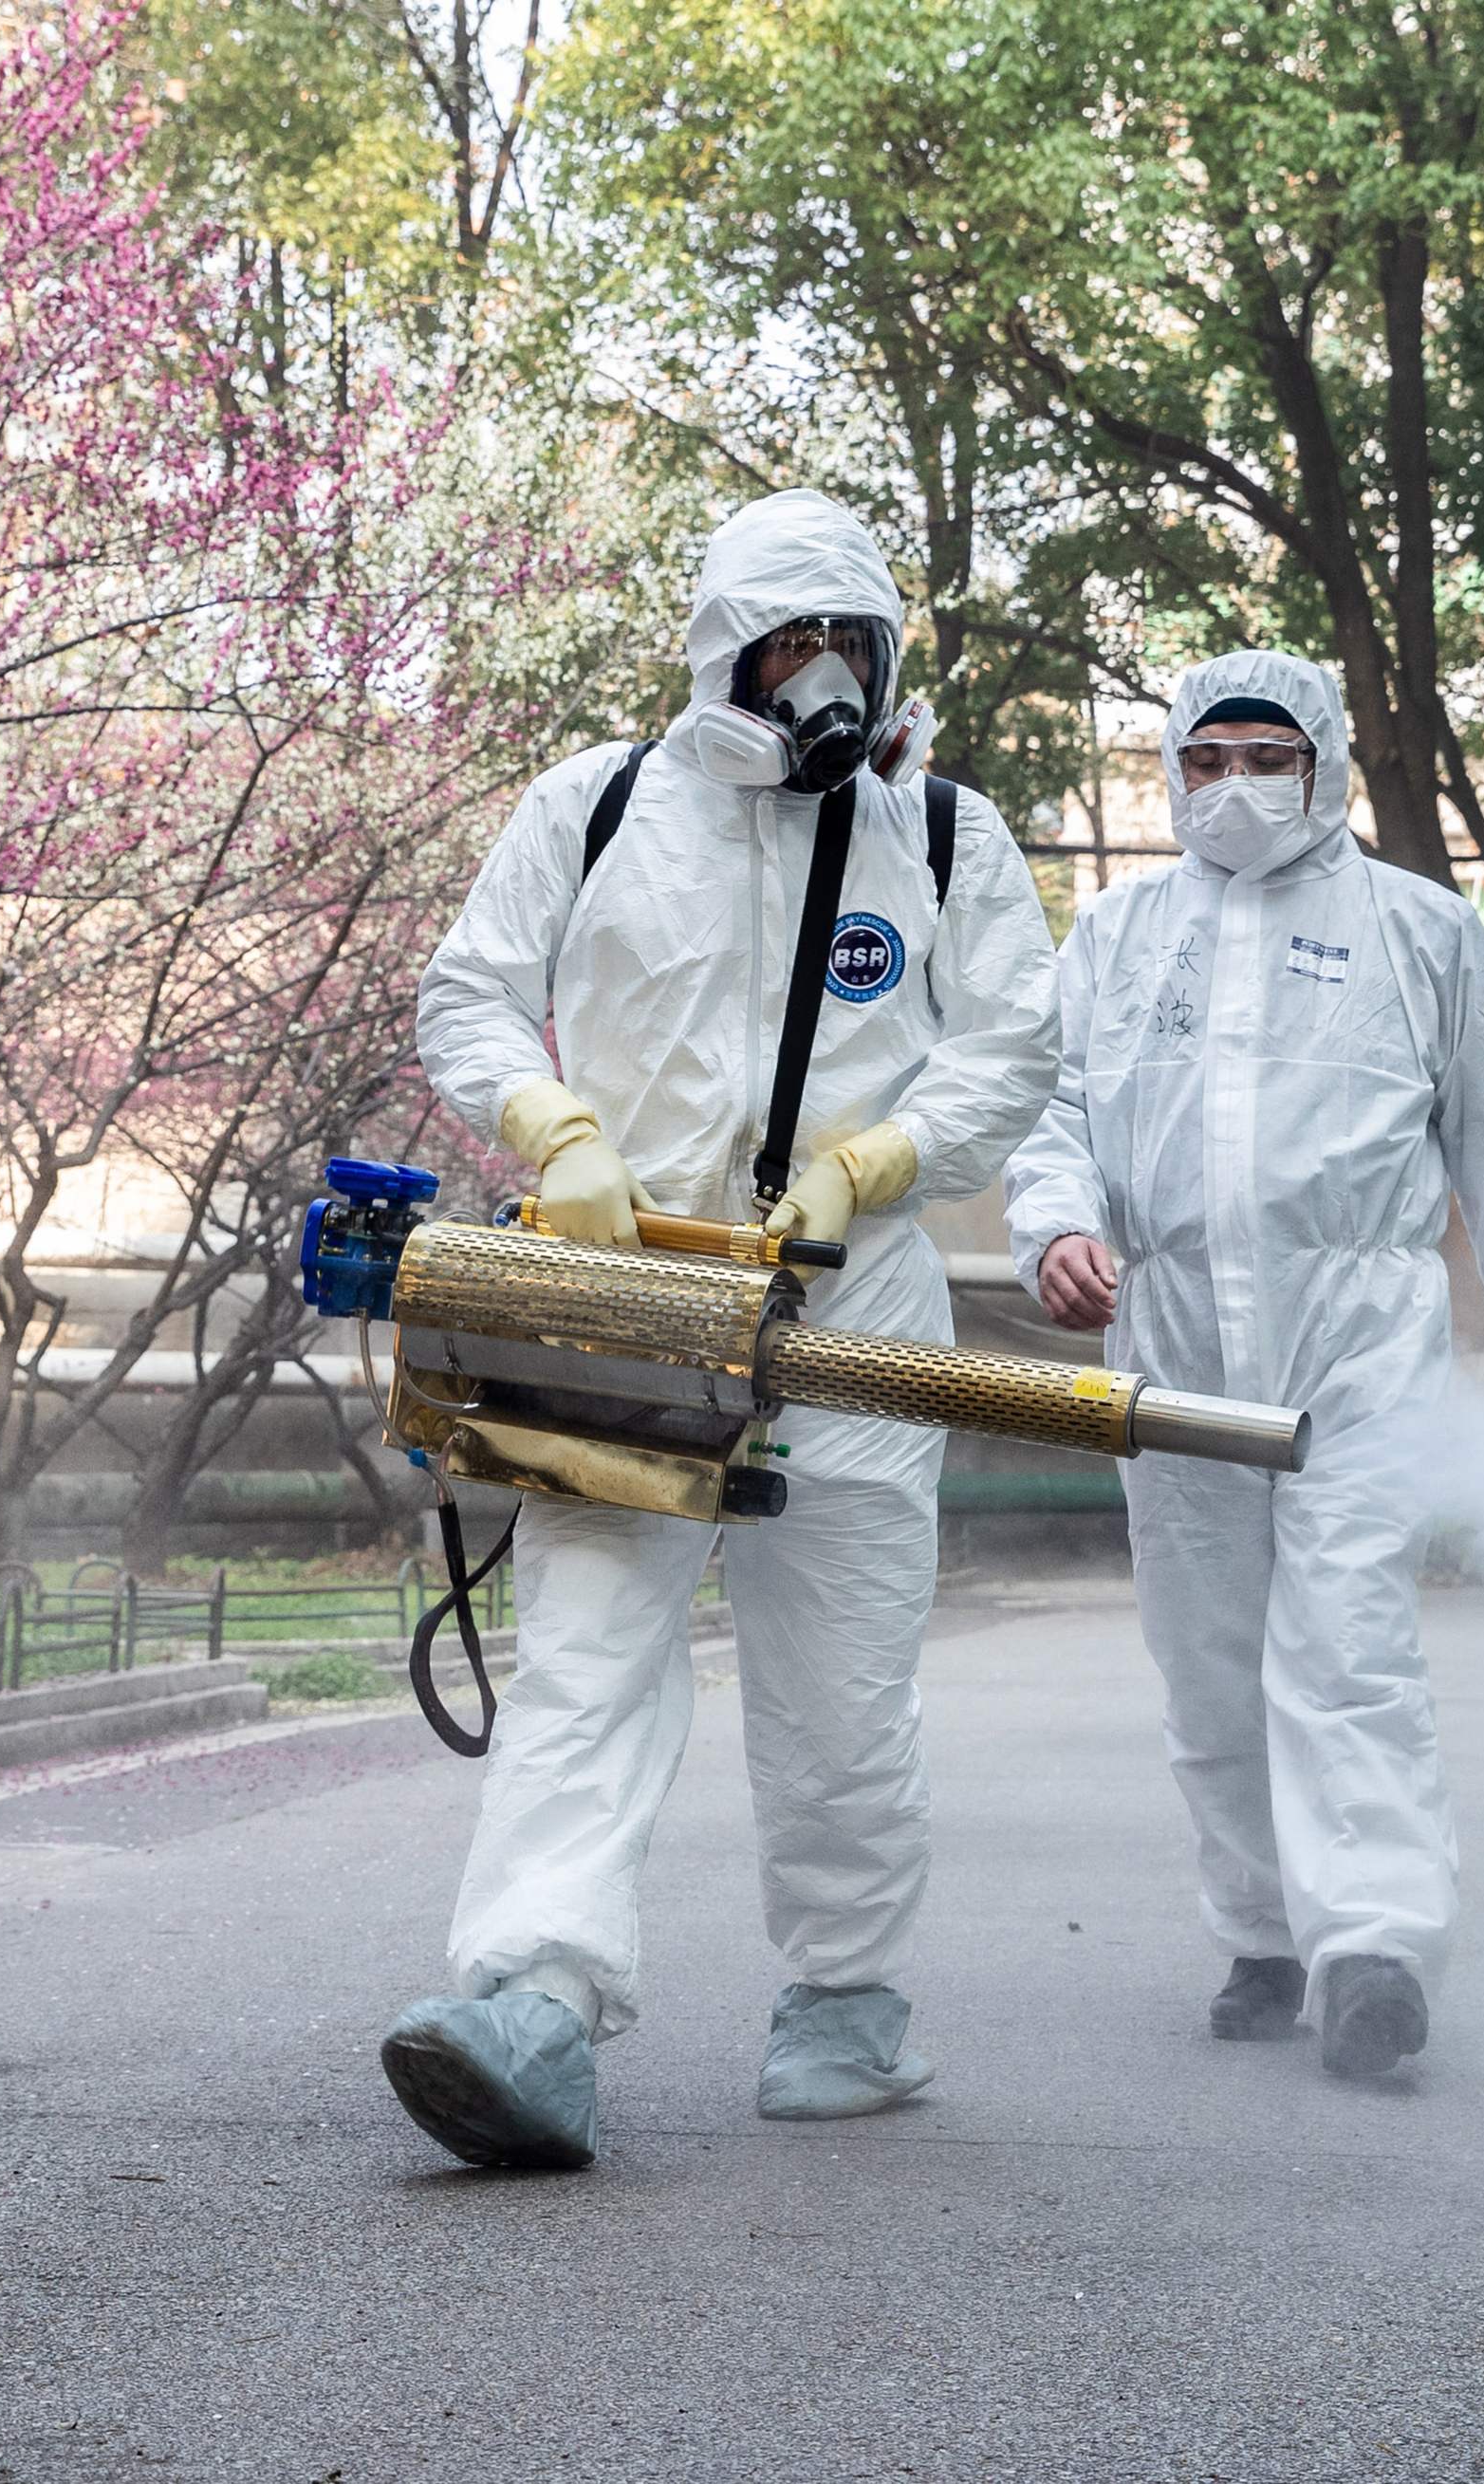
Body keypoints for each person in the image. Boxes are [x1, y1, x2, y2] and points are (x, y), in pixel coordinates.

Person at [380, 490, 1060, 2168]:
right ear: (722, 652)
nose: (818, 675)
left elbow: (1012, 1048)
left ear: (885, 657)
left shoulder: (943, 835)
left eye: (848, 644)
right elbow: (471, 991)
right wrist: (555, 1129)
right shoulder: (598, 804)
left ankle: (846, 1998)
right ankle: (533, 2003)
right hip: (625, 1295)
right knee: (590, 1650)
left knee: (843, 1679)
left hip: (850, 1301)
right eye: (786, 642)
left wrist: (879, 1162)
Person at [1002, 650, 1484, 2080]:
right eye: (1206, 762)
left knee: (1350, 1640)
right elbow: (1050, 1112)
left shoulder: (1422, 930)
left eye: (1267, 759)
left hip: (1359, 1335)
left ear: (1322, 764)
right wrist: (1057, 1231)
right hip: (1173, 1334)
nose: (1236, 787)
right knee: (1207, 1657)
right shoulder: (1117, 934)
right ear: (1172, 773)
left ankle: (1375, 1944)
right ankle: (1263, 1932)